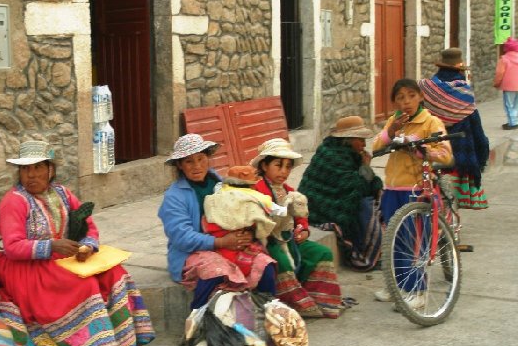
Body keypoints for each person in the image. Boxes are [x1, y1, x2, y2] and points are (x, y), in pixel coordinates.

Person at [0, 140, 154, 346]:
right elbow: (13, 247)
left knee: (115, 273)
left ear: (50, 169)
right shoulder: (14, 201)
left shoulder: (62, 193)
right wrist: (52, 246)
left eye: (37, 168)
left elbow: (88, 226)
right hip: (27, 266)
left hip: (62, 258)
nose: (31, 175)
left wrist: (87, 246)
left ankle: (126, 337)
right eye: (26, 169)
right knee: (82, 285)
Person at [158, 134, 277, 310]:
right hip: (192, 252)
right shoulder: (174, 197)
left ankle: (267, 313)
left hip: (227, 244)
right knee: (216, 271)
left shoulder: (220, 184)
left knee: (263, 264)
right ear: (180, 165)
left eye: (201, 158)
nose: (197, 166)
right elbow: (181, 237)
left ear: (208, 158)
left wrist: (245, 234)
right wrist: (220, 242)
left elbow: (243, 210)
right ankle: (198, 318)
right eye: (189, 162)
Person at [371, 79, 452, 306]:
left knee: (413, 241)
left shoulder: (431, 122)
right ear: (394, 102)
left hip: (417, 189)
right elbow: (376, 147)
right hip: (393, 188)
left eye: (411, 96)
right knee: (393, 239)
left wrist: (420, 148)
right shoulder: (393, 121)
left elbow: (445, 154)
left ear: (420, 97)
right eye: (400, 98)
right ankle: (397, 286)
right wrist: (391, 131)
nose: (406, 102)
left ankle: (418, 291)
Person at [251, 138, 343, 318]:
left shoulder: (289, 190)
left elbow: (301, 215)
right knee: (282, 262)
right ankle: (296, 304)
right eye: (278, 165)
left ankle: (320, 299)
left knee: (322, 252)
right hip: (265, 242)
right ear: (264, 166)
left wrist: (303, 230)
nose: (284, 171)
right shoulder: (256, 190)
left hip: (288, 239)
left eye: (288, 167)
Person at [298, 116, 384, 271]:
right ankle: (365, 252)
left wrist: (366, 171)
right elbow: (353, 186)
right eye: (360, 140)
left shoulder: (350, 153)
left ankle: (379, 247)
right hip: (320, 204)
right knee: (365, 205)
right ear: (348, 139)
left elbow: (365, 184)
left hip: (335, 197)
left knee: (382, 197)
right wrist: (366, 167)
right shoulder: (331, 154)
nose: (364, 145)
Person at [419, 47, 489, 209]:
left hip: (436, 147)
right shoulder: (464, 91)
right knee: (452, 200)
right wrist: (482, 149)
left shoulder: (428, 89)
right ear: (459, 69)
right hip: (461, 150)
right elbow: (475, 124)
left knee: (436, 193)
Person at [494, 36, 518, 130]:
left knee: (509, 104)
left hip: (509, 86)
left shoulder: (504, 59)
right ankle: (516, 120)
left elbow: (500, 73)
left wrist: (496, 83)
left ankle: (513, 123)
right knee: (516, 104)